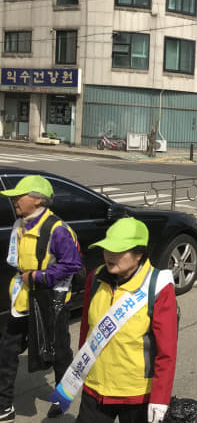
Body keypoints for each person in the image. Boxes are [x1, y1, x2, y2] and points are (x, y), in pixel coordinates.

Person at [65, 217, 177, 423]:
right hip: (95, 390)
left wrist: (160, 399)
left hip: (136, 394)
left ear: (139, 254)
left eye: (118, 251)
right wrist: (79, 373)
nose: (109, 255)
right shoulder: (95, 278)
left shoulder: (158, 287)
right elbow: (87, 331)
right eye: (107, 249)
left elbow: (166, 352)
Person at [0, 175, 81, 422]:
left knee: (58, 352)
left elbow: (72, 264)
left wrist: (38, 277)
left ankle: (62, 398)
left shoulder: (57, 230)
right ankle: (4, 405)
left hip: (50, 300)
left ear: (36, 200)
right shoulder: (21, 223)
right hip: (23, 297)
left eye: (19, 195)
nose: (14, 199)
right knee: (7, 349)